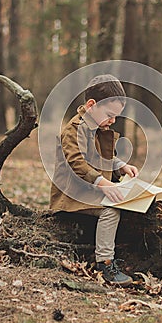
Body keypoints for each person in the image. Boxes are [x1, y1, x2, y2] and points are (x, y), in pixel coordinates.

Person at [50, 75, 137, 286]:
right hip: (72, 193)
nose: (113, 121)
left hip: (92, 188)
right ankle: (105, 263)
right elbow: (77, 162)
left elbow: (101, 157)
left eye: (116, 116)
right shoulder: (74, 130)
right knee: (111, 209)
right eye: (109, 115)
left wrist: (120, 165)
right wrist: (103, 183)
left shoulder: (98, 129)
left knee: (133, 200)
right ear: (91, 105)